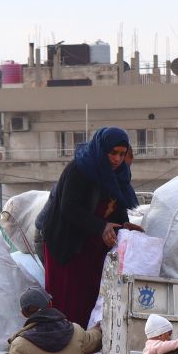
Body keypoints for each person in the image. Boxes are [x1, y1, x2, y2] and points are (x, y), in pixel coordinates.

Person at [39, 126, 143, 328]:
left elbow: (117, 207)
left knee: (91, 296)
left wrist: (125, 226)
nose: (117, 159)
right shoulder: (80, 169)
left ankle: (86, 345)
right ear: (102, 149)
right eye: (113, 153)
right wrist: (101, 226)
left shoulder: (119, 174)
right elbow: (69, 207)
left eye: (122, 154)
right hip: (68, 244)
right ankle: (64, 343)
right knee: (67, 298)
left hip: (93, 247)